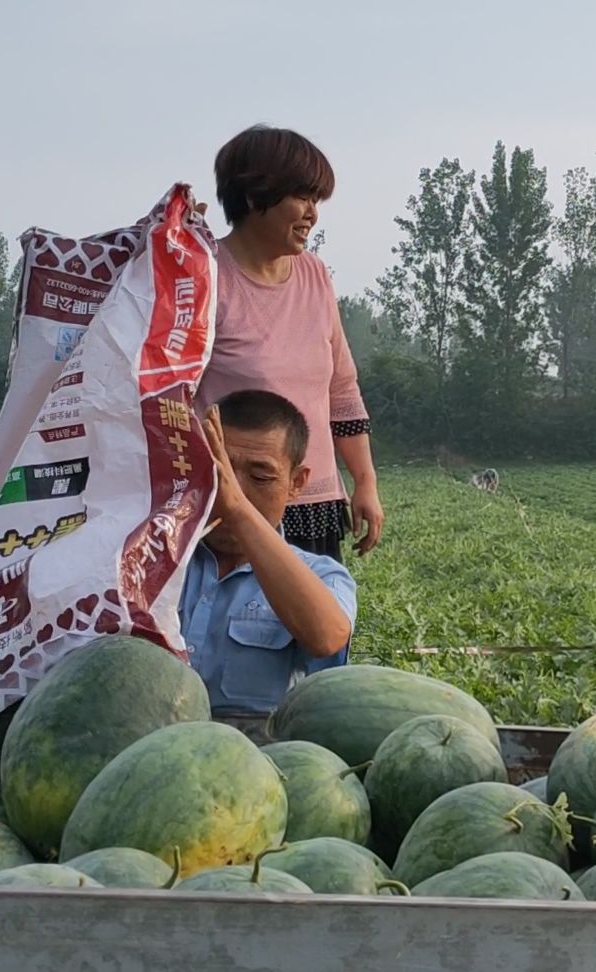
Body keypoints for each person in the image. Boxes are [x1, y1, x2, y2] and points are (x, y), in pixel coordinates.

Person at [196, 124, 384, 564]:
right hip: (236, 509)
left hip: (314, 503)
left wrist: (364, 481)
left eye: (316, 200)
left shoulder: (315, 276)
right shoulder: (203, 278)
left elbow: (341, 389)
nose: (312, 214)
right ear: (252, 197)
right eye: (302, 197)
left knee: (317, 630)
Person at [181, 390, 356, 713]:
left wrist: (237, 509)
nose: (235, 491)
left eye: (260, 476)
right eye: (221, 473)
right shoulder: (157, 561)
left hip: (258, 756)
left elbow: (328, 636)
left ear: (296, 484)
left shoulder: (320, 575)